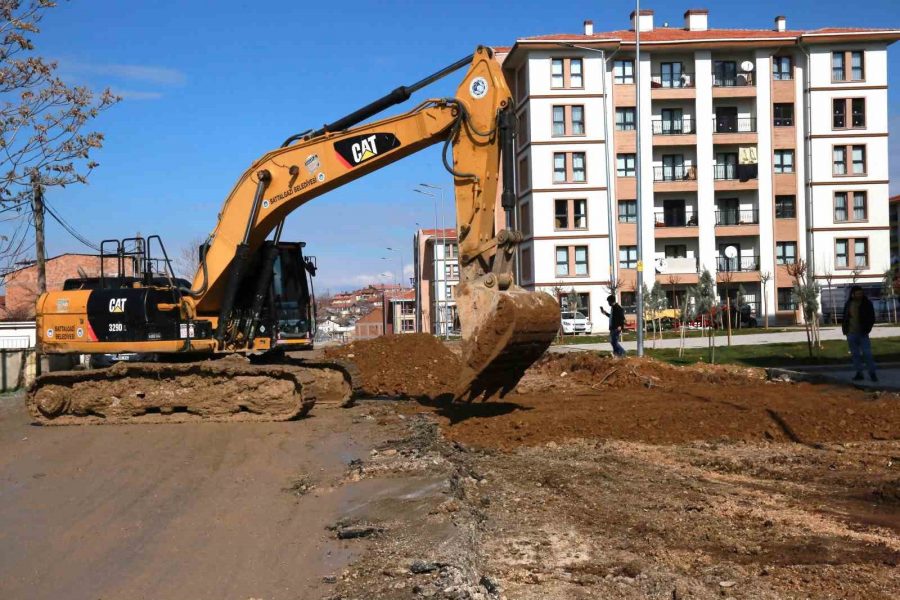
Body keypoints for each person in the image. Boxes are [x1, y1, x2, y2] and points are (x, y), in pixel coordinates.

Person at [841, 285, 877, 382]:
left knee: (867, 354)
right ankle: (859, 373)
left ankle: (872, 373)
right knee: (855, 355)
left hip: (863, 333)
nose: (860, 295)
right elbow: (845, 317)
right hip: (851, 333)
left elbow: (872, 318)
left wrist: (867, 329)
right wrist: (845, 330)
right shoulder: (849, 304)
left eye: (861, 293)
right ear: (853, 294)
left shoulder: (867, 303)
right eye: (857, 293)